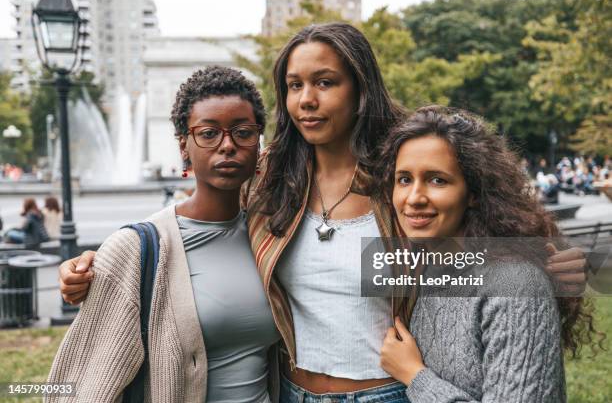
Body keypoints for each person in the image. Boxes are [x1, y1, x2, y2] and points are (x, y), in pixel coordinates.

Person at [57, 23, 588, 401]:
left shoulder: (398, 181)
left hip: (390, 392)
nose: (307, 99)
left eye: (325, 82)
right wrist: (97, 263)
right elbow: (196, 218)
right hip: (293, 391)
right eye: (294, 85)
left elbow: (472, 243)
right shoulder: (268, 184)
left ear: (360, 89)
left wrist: (544, 264)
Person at [47, 66, 280, 402]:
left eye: (242, 132)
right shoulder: (135, 248)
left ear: (258, 144)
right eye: (209, 133)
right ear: (184, 146)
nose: (227, 145)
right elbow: (80, 385)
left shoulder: (269, 236)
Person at [377, 106, 597, 402]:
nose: (414, 198)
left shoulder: (515, 286)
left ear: (474, 193)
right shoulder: (424, 269)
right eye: (404, 179)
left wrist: (416, 377)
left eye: (437, 180)